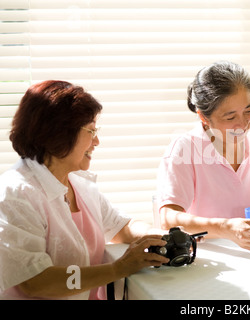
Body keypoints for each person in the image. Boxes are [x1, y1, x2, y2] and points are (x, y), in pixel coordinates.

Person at [0, 80, 169, 300]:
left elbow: (122, 227)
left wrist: (166, 237)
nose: (97, 140)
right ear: (59, 134)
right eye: (90, 130)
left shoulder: (78, 183)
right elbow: (35, 282)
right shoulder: (16, 195)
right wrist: (118, 269)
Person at [157, 61, 250, 252]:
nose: (243, 123)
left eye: (248, 110)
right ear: (203, 117)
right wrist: (225, 228)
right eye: (230, 117)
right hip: (206, 264)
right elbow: (168, 217)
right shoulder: (185, 150)